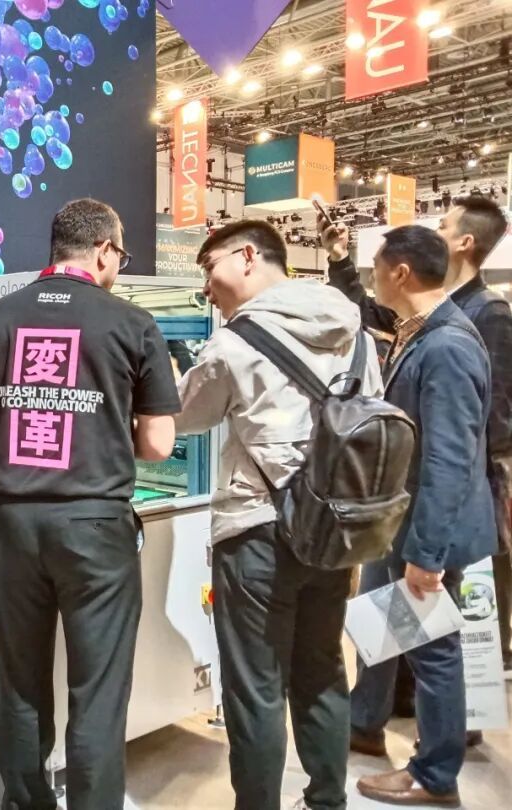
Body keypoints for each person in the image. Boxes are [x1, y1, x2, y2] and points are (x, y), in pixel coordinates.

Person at [0, 198, 180, 810]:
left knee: (22, 677)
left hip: (14, 520)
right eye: (122, 256)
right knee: (98, 688)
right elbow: (158, 444)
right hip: (93, 524)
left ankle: (24, 800)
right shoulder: (132, 324)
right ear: (105, 250)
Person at [174, 220, 383, 810]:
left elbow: (185, 417)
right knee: (322, 669)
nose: (207, 286)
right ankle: (327, 801)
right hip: (335, 528)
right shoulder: (356, 333)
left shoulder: (234, 342)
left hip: (256, 532)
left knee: (256, 687)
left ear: (247, 257)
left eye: (209, 267)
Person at [329, 225, 497, 806]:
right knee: (388, 625)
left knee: (433, 649)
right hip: (405, 521)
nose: (374, 278)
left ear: (400, 272)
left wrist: (426, 554)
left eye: (377, 267)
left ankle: (435, 774)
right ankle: (365, 724)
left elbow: (449, 459)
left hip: (428, 527)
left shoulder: (447, 345)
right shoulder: (423, 331)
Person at [321, 197, 512, 682]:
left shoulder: (474, 319)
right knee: (387, 622)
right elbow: (369, 311)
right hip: (406, 500)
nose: (433, 232)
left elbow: (475, 428)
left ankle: (433, 729)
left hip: (442, 498)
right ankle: (370, 714)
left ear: (464, 242)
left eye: (442, 225)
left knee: (434, 644)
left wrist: (435, 538)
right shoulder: (422, 316)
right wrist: (340, 259)